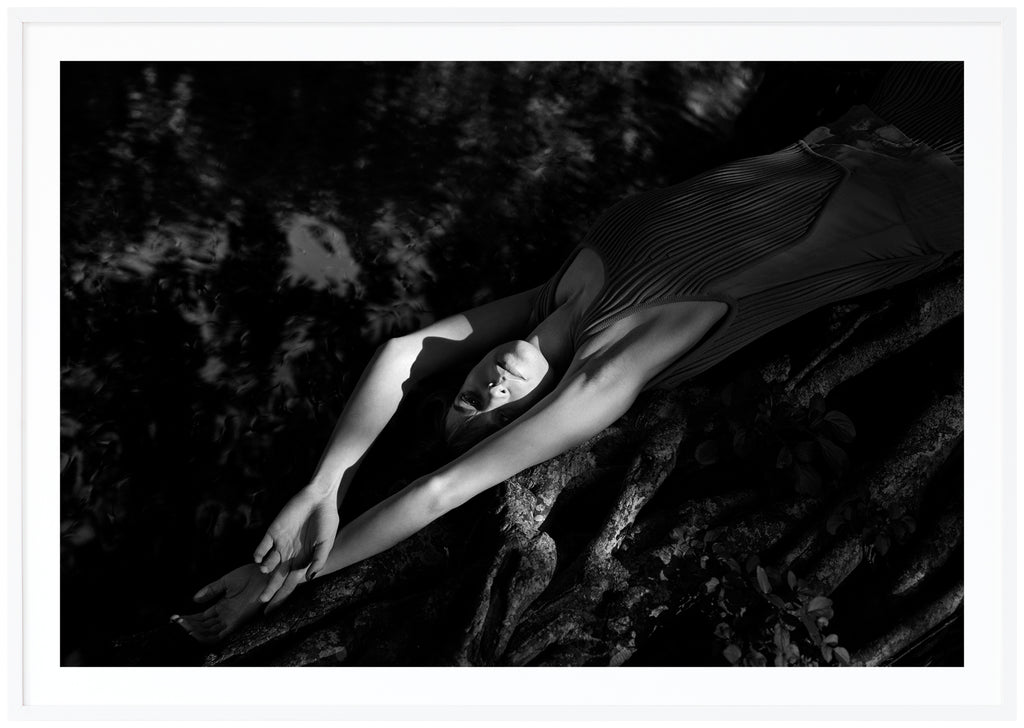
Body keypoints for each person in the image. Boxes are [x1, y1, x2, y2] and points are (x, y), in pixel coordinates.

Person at [172, 62, 963, 644]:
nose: (480, 391)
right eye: (493, 415)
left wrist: (321, 485)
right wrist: (281, 577)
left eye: (463, 395)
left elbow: (402, 351)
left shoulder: (549, 298)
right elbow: (441, 489)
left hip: (867, 124)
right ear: (539, 417)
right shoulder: (610, 370)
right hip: (933, 182)